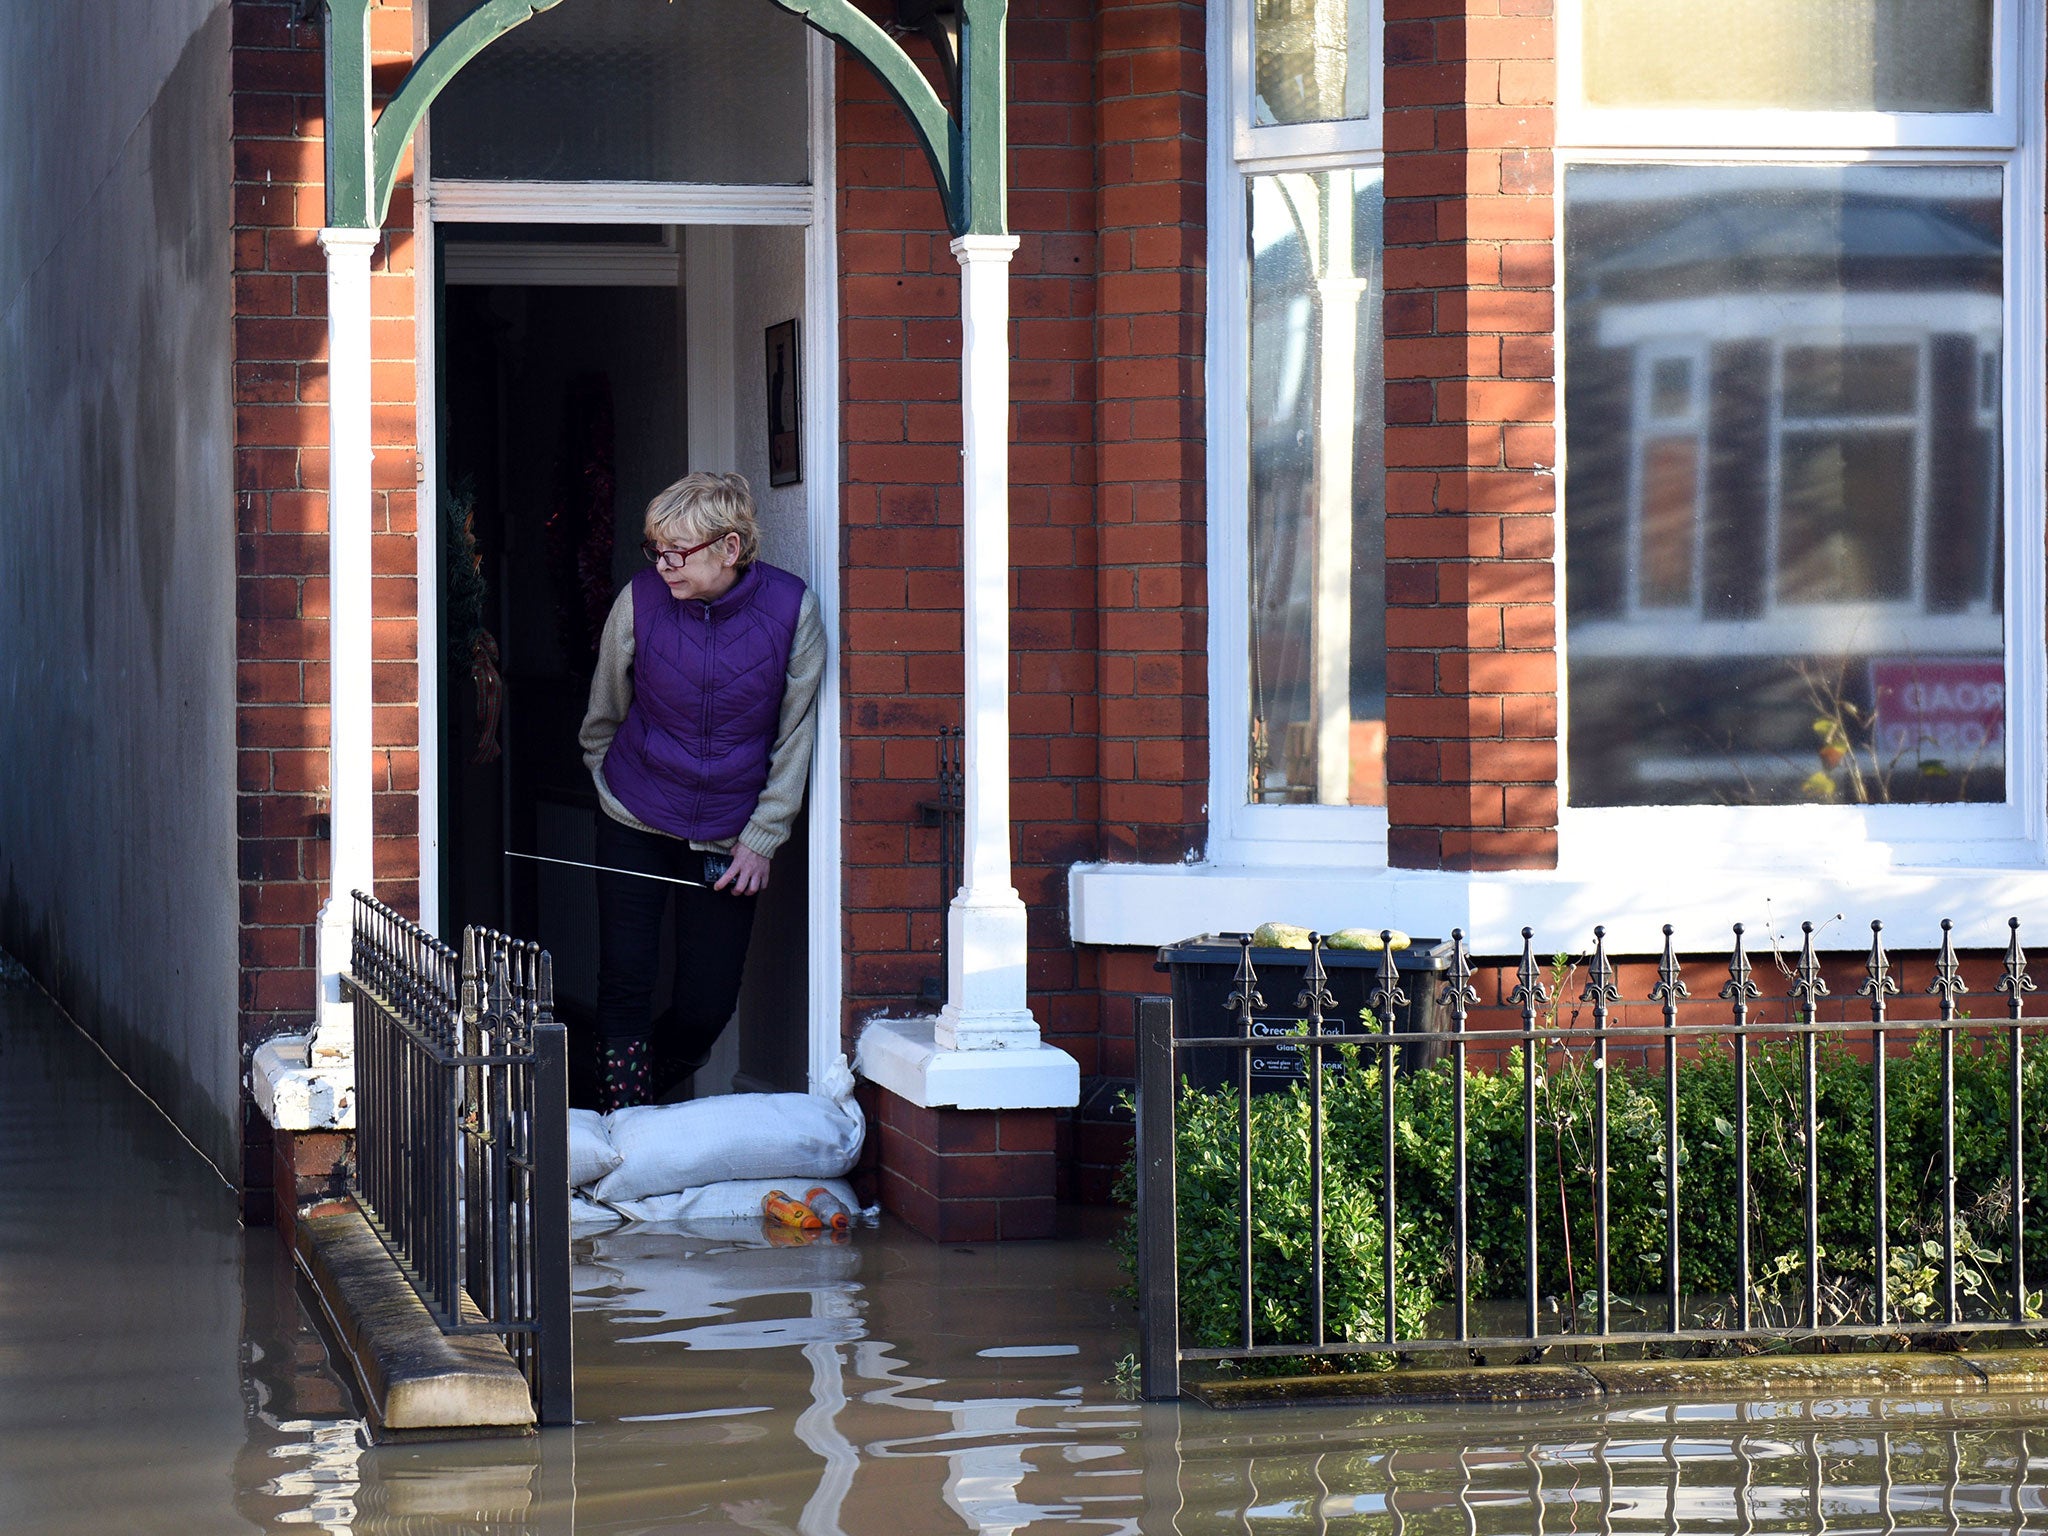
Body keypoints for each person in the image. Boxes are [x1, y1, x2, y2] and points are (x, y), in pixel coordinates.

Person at [579, 472, 824, 1111]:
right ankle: (619, 1127)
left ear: (730, 548)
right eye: (655, 550)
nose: (663, 565)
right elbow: (603, 711)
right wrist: (611, 789)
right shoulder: (639, 600)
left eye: (677, 553)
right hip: (633, 815)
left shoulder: (792, 609)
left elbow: (797, 734)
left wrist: (764, 837)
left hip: (730, 835)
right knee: (624, 983)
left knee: (705, 1005)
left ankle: (614, 1099)